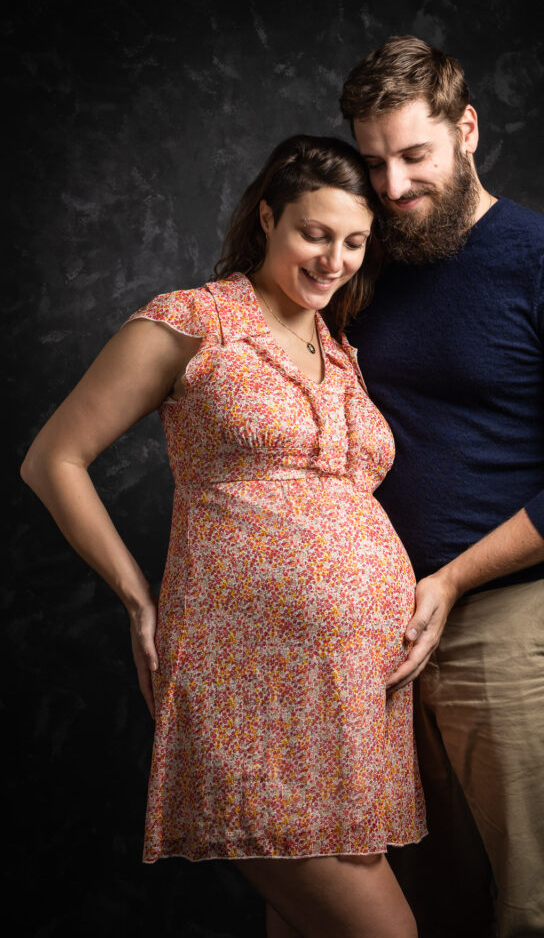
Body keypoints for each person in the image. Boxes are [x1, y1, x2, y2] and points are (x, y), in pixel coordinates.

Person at [21, 134, 426, 938]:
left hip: (351, 695)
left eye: (353, 242)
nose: (334, 260)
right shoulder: (193, 321)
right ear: (269, 217)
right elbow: (52, 458)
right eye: (315, 234)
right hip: (247, 686)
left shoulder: (337, 347)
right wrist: (137, 597)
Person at [340, 36, 544, 938]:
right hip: (384, 636)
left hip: (513, 622)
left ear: (466, 130)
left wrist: (451, 580)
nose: (392, 187)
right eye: (372, 163)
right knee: (425, 910)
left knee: (538, 914)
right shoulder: (362, 264)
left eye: (413, 157)